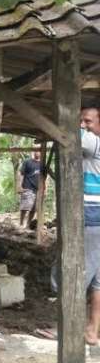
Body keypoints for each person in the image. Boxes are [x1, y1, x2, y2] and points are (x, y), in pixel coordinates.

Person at [81, 105, 100, 345]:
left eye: (88, 121)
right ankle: (93, 331)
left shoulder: (94, 144)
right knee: (98, 281)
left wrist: (74, 122)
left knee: (75, 272)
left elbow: (68, 132)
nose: (83, 125)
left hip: (92, 215)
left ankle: (64, 327)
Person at [17, 150, 41, 228]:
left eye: (39, 151)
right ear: (34, 152)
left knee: (34, 208)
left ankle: (28, 225)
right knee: (25, 207)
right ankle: (21, 224)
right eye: (36, 150)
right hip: (28, 187)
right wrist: (19, 186)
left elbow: (44, 178)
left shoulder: (42, 164)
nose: (38, 152)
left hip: (37, 189)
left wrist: (45, 189)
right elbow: (21, 173)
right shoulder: (27, 162)